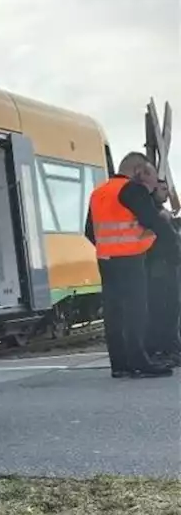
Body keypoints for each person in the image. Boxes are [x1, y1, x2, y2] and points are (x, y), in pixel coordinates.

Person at [84, 152, 178, 377]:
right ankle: (140, 363)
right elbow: (153, 221)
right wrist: (175, 252)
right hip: (131, 259)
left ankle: (120, 365)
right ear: (138, 171)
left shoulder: (99, 192)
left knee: (114, 312)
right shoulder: (132, 190)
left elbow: (89, 231)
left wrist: (109, 246)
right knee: (136, 311)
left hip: (106, 260)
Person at [144, 178, 181, 365]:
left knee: (172, 308)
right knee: (163, 308)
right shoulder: (154, 212)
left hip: (168, 264)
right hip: (160, 266)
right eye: (162, 189)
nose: (166, 192)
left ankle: (172, 348)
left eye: (167, 189)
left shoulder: (163, 211)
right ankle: (164, 350)